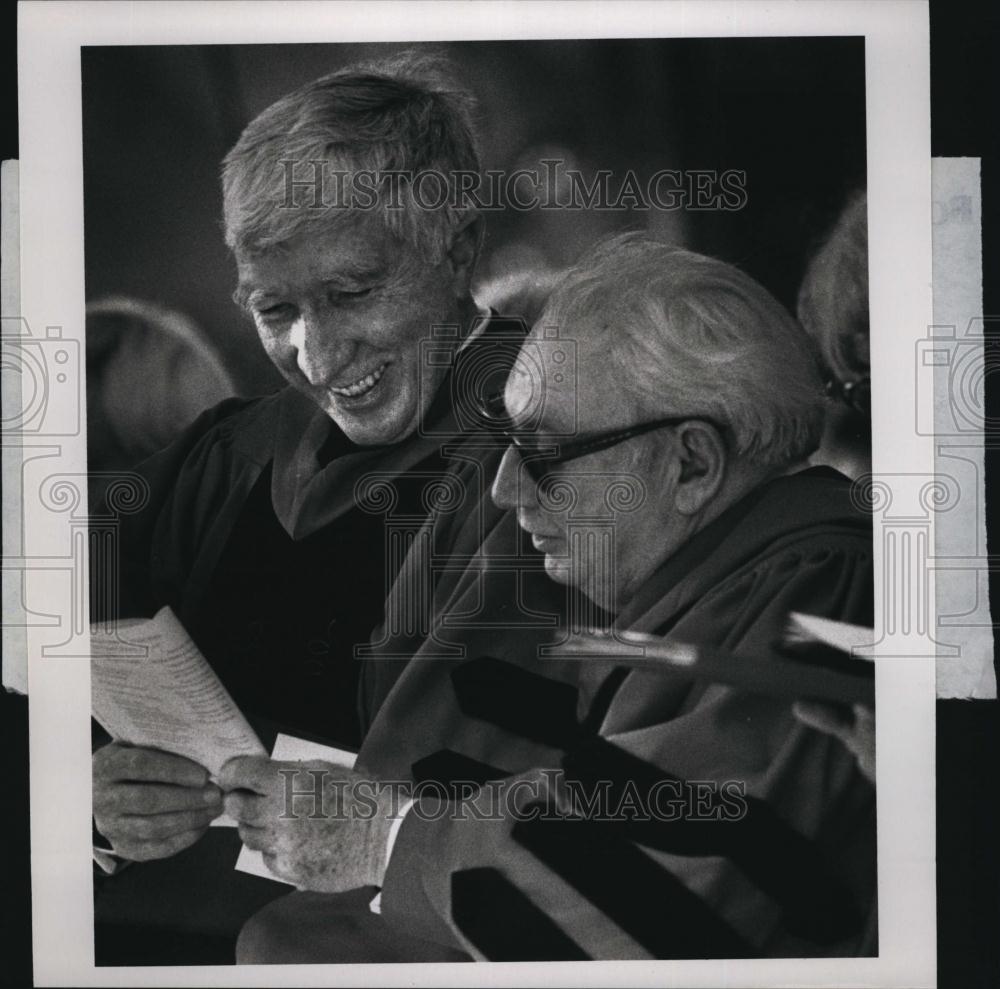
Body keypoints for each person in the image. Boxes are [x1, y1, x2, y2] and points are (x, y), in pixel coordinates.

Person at [224, 234, 877, 962]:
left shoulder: (823, 593)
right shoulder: (712, 585)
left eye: (543, 452)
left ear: (690, 462)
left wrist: (385, 838)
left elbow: (670, 893)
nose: (505, 488)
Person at [89, 51, 524, 932]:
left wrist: (387, 838)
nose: (318, 360)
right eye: (274, 310)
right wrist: (94, 802)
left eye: (352, 292)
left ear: (458, 251)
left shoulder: (562, 454)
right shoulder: (231, 456)